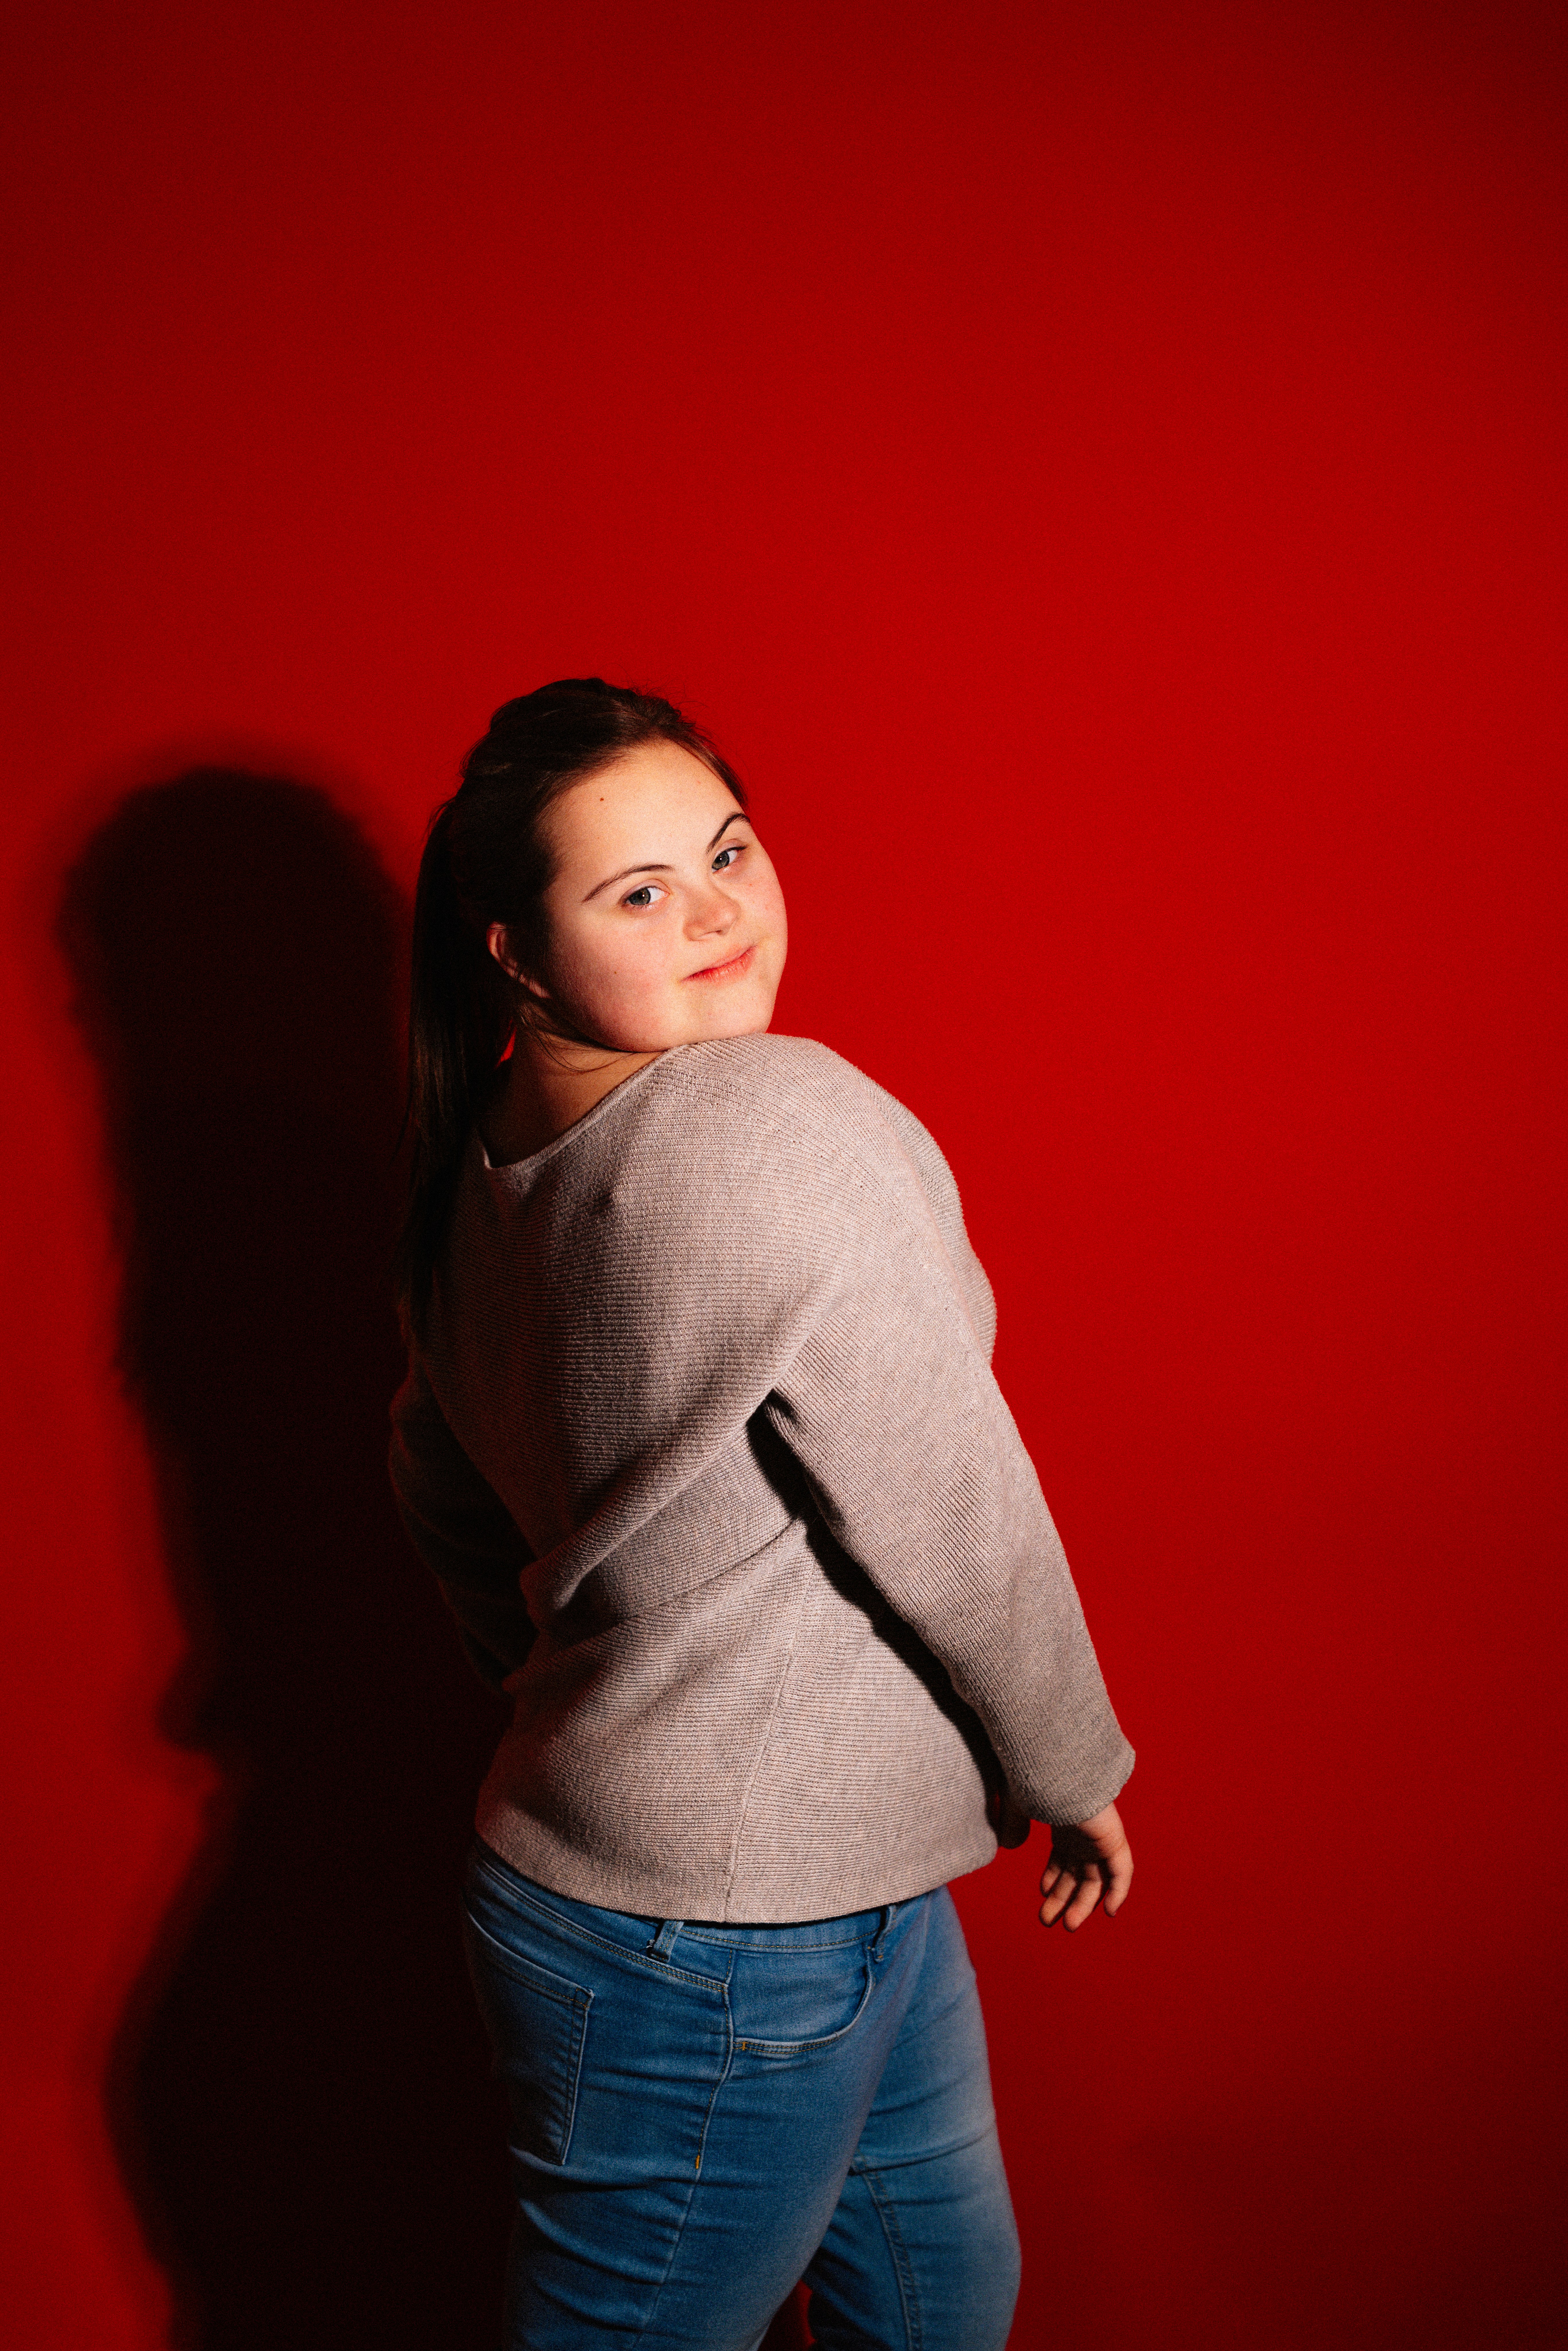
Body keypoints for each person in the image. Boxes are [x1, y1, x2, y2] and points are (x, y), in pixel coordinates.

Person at [389, 678, 1134, 2351]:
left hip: (797, 1888)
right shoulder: (768, 1121)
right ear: (514, 951)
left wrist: (587, 1693)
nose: (718, 910)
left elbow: (434, 1479)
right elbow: (948, 1498)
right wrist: (1069, 1767)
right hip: (718, 1944)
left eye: (727, 850)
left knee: (940, 2311)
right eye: (637, 892)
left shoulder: (483, 1159)